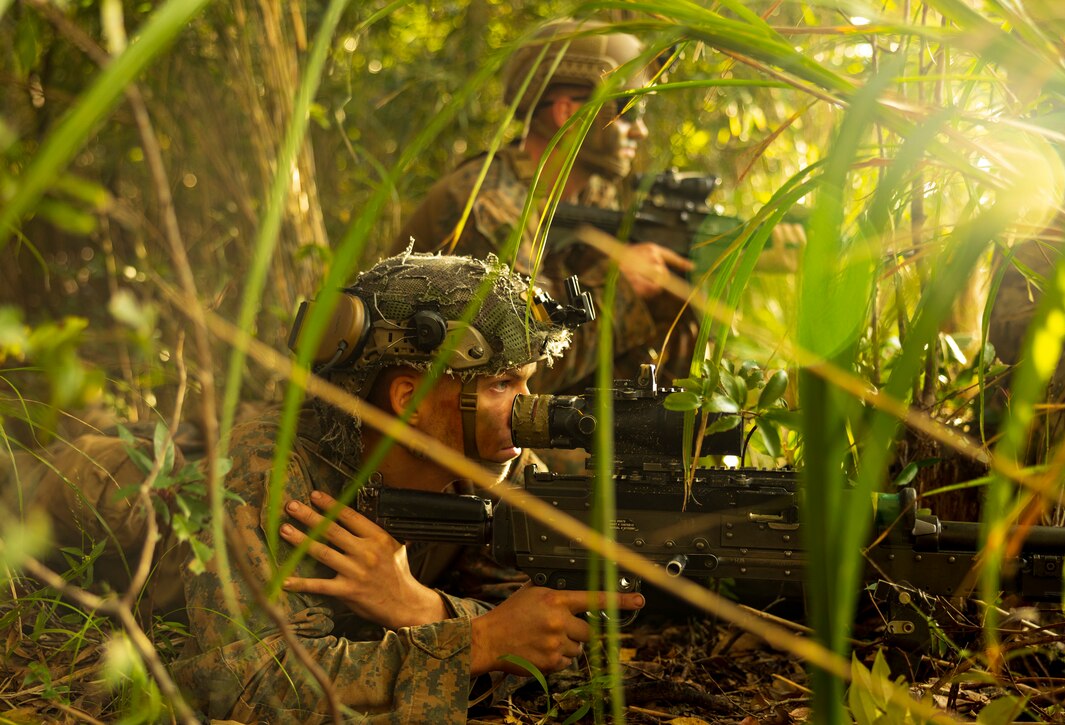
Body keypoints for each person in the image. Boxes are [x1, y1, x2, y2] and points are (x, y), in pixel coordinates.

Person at [169, 251, 645, 723]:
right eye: (501, 385)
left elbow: (555, 628)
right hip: (137, 511)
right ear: (409, 398)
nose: (529, 412)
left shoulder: (493, 464)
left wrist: (423, 607)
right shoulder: (269, 473)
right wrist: (478, 642)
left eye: (526, 384)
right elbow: (253, 683)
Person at [399, 19, 697, 395]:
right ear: (566, 114)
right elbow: (519, 365)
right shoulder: (491, 207)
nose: (641, 130)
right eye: (628, 110)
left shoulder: (589, 198)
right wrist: (625, 288)